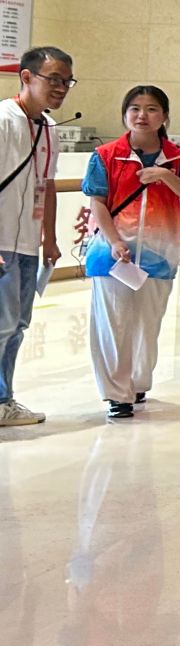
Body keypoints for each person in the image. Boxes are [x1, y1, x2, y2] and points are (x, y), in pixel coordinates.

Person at [81, 86, 180, 418]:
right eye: (135, 108)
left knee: (148, 323)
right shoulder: (106, 155)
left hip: (159, 253)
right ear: (125, 114)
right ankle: (116, 395)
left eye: (151, 109)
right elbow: (97, 203)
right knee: (113, 323)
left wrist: (165, 175)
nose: (142, 115)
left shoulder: (179, 158)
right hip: (111, 253)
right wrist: (114, 241)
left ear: (164, 116)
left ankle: (136, 383)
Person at [0, 45, 70, 427]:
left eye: (67, 81)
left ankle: (3, 400)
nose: (61, 88)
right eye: (54, 79)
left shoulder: (49, 128)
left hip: (27, 244)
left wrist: (50, 238)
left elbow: (47, 185)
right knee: (2, 325)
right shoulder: (3, 120)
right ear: (26, 77)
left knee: (17, 325)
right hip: (1, 243)